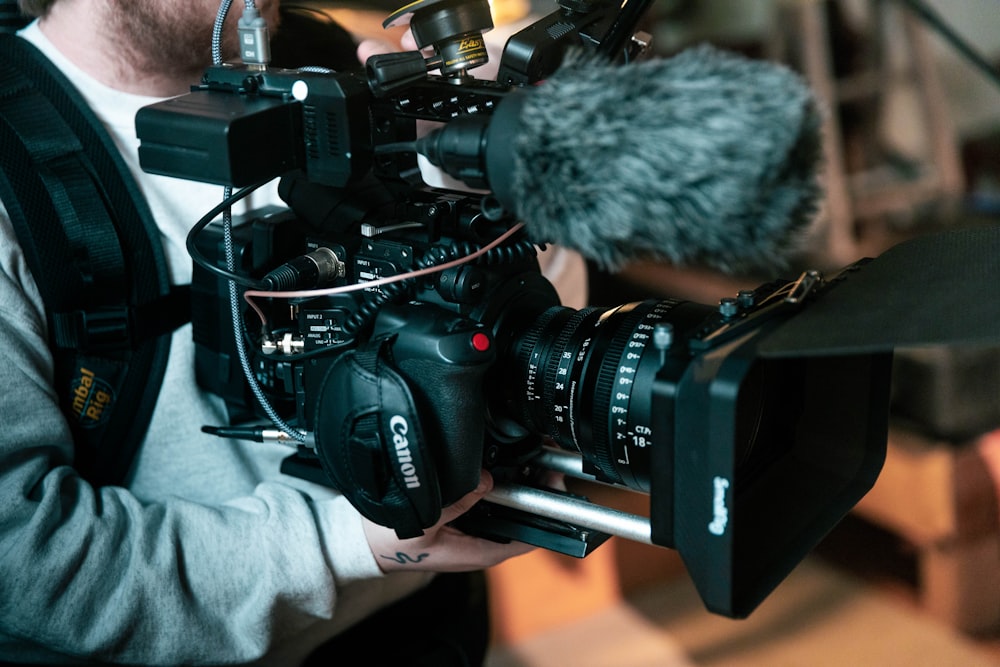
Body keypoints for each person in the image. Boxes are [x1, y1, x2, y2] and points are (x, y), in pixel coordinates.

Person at [0, 0, 586, 664]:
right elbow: (28, 562)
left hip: (433, 626)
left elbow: (540, 327)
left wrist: (492, 188)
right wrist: (348, 543)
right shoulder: (15, 174)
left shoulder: (340, 62)